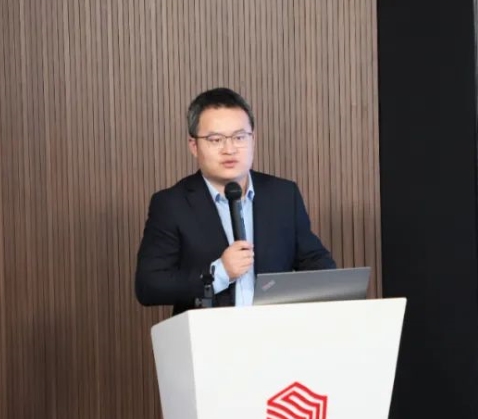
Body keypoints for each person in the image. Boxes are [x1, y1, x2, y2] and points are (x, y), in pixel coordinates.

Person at [135, 88, 336, 316]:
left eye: (239, 137)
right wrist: (220, 273)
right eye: (215, 140)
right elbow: (149, 286)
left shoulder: (282, 195)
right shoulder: (172, 204)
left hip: (275, 330)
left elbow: (315, 262)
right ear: (194, 146)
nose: (229, 149)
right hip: (209, 334)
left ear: (253, 139)